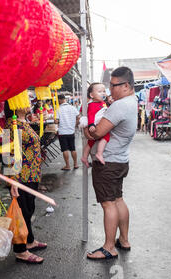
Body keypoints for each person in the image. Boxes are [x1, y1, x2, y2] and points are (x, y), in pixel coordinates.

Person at [84, 66, 137, 260]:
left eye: (113, 86)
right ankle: (123, 240)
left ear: (126, 85)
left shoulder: (119, 105)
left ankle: (109, 247)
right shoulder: (131, 101)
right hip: (120, 161)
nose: (110, 90)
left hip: (108, 162)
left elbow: (96, 132)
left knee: (108, 204)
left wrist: (84, 128)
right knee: (118, 199)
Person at [4, 100, 47, 264]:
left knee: (29, 209)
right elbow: (9, 153)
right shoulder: (11, 125)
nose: (29, 103)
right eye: (24, 100)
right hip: (21, 176)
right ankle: (21, 251)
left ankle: (30, 241)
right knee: (22, 213)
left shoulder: (24, 122)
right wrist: (12, 180)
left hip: (32, 174)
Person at [80, 83, 110, 167]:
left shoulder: (103, 102)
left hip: (98, 125)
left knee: (90, 142)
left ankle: (84, 157)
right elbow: (91, 115)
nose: (103, 93)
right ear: (91, 95)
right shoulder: (92, 105)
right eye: (99, 91)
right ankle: (99, 153)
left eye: (104, 91)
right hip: (95, 126)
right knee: (106, 137)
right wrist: (91, 125)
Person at [56, 94, 80, 171]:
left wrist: (55, 121)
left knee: (65, 149)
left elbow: (56, 120)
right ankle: (75, 164)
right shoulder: (72, 107)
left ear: (60, 100)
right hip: (71, 131)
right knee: (73, 148)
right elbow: (78, 117)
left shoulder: (58, 109)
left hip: (62, 132)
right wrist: (75, 125)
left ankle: (68, 166)